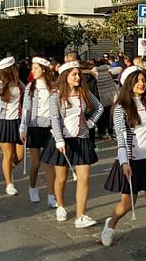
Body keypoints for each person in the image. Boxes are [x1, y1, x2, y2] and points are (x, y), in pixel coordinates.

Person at [100, 66, 146, 261]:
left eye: (143, 80)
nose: (141, 83)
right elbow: (120, 138)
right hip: (130, 160)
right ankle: (110, 223)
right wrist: (124, 162)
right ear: (128, 83)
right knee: (128, 203)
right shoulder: (120, 107)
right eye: (137, 80)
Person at [40, 60, 103, 227]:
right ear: (65, 76)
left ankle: (80, 216)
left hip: (82, 139)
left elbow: (99, 107)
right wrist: (59, 139)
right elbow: (54, 118)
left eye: (79, 74)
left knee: (84, 178)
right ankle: (60, 206)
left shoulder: (84, 92)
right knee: (61, 178)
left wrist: (90, 123)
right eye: (74, 74)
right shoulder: (56, 95)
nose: (78, 78)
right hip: (63, 140)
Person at [19, 57, 56, 204]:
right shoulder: (30, 86)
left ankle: (51, 195)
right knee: (36, 163)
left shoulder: (53, 86)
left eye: (36, 68)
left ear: (44, 69)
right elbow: (26, 108)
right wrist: (23, 126)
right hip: (34, 127)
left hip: (50, 127)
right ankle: (32, 188)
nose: (33, 71)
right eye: (32, 68)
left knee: (50, 163)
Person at [0, 57, 26, 196]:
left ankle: (7, 170)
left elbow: (26, 97)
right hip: (3, 122)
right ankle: (9, 184)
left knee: (20, 154)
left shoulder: (19, 83)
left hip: (18, 121)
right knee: (8, 154)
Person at [94, 59, 118, 141]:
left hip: (101, 96)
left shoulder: (95, 73)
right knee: (110, 115)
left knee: (101, 115)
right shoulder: (109, 71)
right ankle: (110, 132)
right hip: (111, 96)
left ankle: (102, 132)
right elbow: (119, 69)